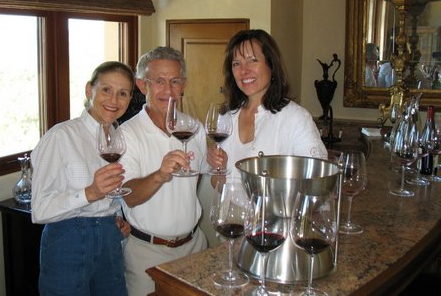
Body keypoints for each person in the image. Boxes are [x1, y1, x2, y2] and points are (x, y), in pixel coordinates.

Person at [30, 61, 134, 296]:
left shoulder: (118, 137)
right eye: (106, 90)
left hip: (109, 239)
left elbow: (112, 192)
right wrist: (90, 193)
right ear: (89, 90)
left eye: (122, 93)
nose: (113, 100)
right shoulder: (61, 136)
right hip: (68, 239)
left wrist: (116, 216)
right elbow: (40, 210)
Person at [119, 46, 208, 296]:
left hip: (194, 246)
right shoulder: (127, 134)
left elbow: (196, 181)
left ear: (184, 84)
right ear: (142, 85)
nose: (168, 90)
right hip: (146, 253)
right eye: (158, 81)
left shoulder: (194, 127)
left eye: (175, 81)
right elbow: (129, 195)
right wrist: (159, 175)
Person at [207, 29, 327, 178]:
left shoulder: (296, 118)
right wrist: (220, 168)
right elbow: (218, 186)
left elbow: (316, 181)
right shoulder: (227, 117)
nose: (244, 70)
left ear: (271, 64)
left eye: (252, 60)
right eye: (236, 63)